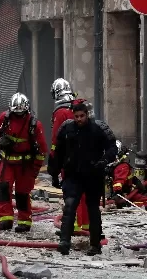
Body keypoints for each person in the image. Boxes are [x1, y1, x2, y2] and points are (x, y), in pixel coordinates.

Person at [48, 101, 117, 256]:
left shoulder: (98, 129)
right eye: (76, 116)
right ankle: (65, 242)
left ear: (87, 115)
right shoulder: (66, 129)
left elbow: (113, 147)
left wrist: (104, 161)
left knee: (93, 209)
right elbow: (58, 152)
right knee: (70, 206)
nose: (79, 119)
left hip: (93, 175)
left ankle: (95, 245)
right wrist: (54, 172)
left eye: (82, 116)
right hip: (73, 175)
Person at [0, 93, 47, 232]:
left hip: (25, 165)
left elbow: (42, 150)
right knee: (3, 188)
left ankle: (24, 220)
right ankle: (5, 219)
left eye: (20, 113)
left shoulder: (34, 124)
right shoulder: (4, 118)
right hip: (7, 161)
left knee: (22, 192)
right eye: (16, 113)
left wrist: (35, 169)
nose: (18, 115)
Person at [49, 78, 89, 233]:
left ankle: (72, 226)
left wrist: (54, 168)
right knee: (84, 193)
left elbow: (56, 141)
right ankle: (84, 224)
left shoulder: (61, 113)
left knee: (71, 194)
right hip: (86, 157)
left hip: (69, 160)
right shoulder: (79, 107)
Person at [110, 140, 147, 210]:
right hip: (123, 195)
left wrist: (136, 181)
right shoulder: (123, 166)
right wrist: (117, 192)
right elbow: (119, 181)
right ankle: (127, 204)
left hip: (126, 193)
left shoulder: (118, 166)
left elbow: (127, 177)